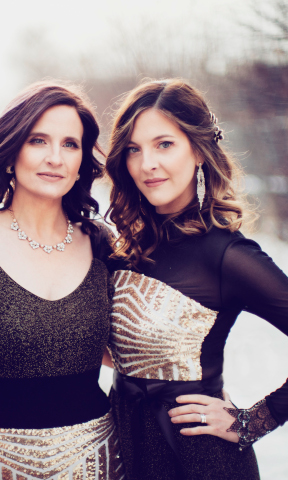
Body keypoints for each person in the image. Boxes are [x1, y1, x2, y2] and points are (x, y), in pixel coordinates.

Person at [0, 81, 125, 480]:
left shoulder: (101, 245)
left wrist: (205, 382)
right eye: (39, 140)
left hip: (99, 463)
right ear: (10, 152)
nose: (55, 157)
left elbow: (126, 350)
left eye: (70, 144)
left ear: (81, 163)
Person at [104, 78, 288, 479]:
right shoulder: (125, 250)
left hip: (201, 461)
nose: (146, 163)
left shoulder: (227, 255)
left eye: (164, 144)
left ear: (199, 151)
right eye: (133, 149)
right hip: (126, 453)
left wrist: (255, 420)